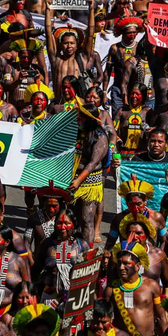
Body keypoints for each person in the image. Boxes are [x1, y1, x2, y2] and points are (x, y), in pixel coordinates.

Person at [104, 240, 167, 336]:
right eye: (119, 263)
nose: (121, 267)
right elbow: (105, 318)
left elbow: (161, 316)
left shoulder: (151, 286)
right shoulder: (111, 290)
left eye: (126, 263)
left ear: (137, 266)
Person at [69, 104, 108, 243]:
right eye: (78, 116)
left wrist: (79, 180)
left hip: (90, 181)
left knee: (87, 219)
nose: (78, 119)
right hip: (72, 177)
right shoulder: (76, 131)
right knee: (71, 217)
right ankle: (71, 249)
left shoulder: (100, 137)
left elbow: (92, 163)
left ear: (90, 119)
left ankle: (87, 254)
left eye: (82, 117)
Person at [45, 0, 96, 97]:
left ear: (77, 45)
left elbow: (90, 33)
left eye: (72, 43)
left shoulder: (83, 58)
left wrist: (91, 9)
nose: (69, 46)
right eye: (66, 43)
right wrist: (48, 10)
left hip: (77, 105)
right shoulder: (56, 59)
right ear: (61, 45)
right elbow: (48, 33)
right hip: (59, 104)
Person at [106, 176, 165, 249]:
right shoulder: (119, 219)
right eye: (132, 204)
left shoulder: (157, 217)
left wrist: (160, 255)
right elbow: (110, 241)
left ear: (145, 201)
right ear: (127, 203)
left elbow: (164, 241)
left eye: (139, 204)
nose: (135, 209)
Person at [25, 181, 72, 252]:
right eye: (48, 205)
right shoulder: (34, 218)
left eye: (54, 206)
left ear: (61, 204)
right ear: (44, 203)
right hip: (40, 261)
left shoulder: (69, 218)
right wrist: (31, 261)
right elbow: (26, 243)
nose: (51, 209)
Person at [113, 83, 151, 159]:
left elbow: (154, 131)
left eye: (137, 94)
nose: (134, 96)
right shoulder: (122, 111)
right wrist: (118, 140)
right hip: (123, 152)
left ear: (143, 96)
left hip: (141, 153)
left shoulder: (148, 112)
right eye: (132, 93)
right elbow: (113, 130)